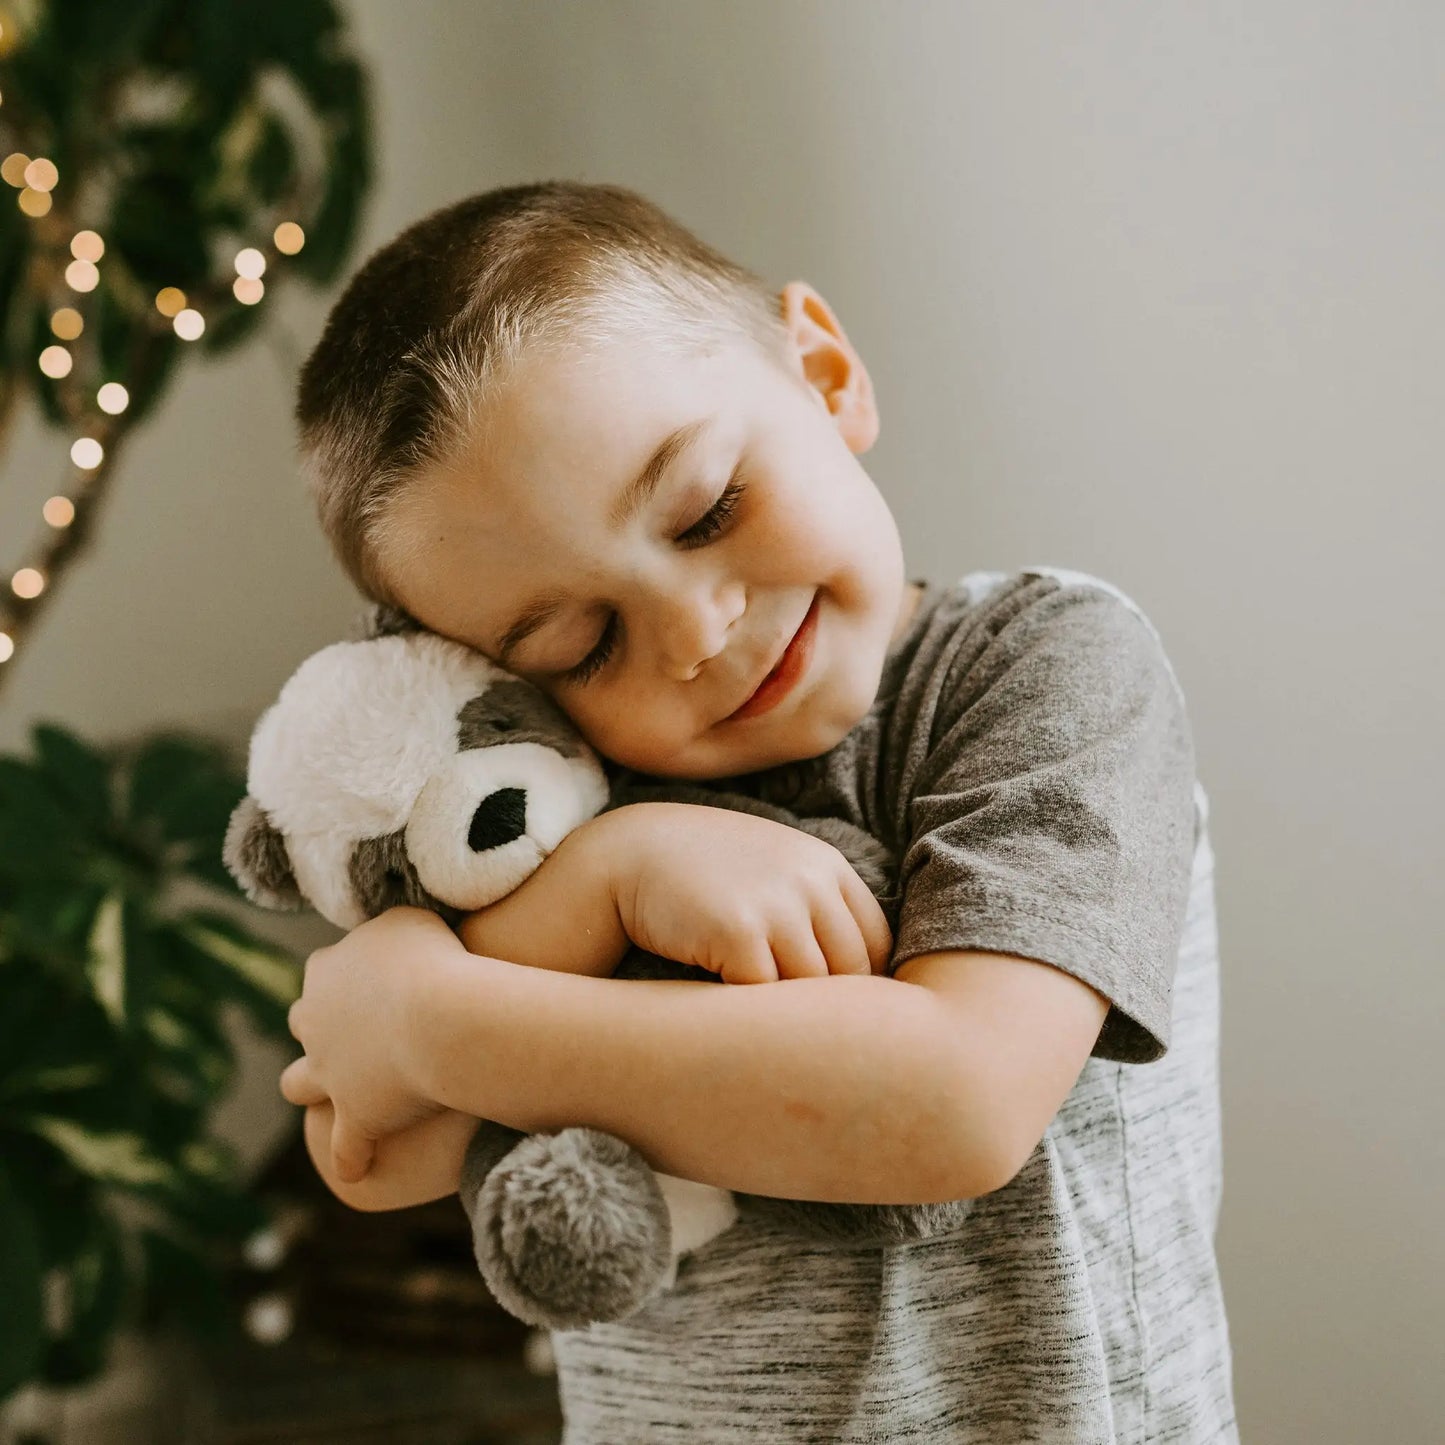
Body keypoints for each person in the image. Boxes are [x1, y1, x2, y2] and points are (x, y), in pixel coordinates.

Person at [277, 181, 1238, 1442]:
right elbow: (376, 1147)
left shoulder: (1044, 664)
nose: (693, 632)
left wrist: (440, 1016)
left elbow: (956, 1103)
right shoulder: (557, 795)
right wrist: (608, 873)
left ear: (825, 373)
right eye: (579, 641)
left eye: (705, 509)